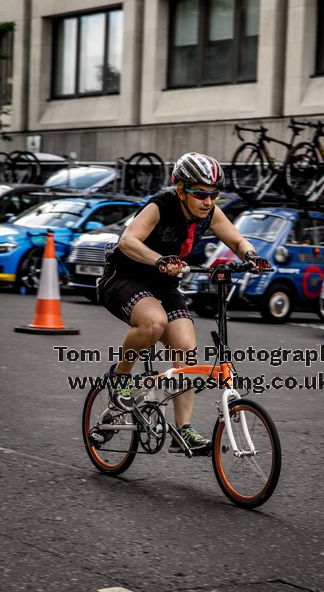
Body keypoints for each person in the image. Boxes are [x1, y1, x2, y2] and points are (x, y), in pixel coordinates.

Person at [97, 152, 270, 453]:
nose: (208, 201)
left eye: (214, 194)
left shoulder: (210, 213)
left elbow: (238, 241)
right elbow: (128, 241)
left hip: (163, 284)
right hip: (124, 278)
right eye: (200, 194)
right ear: (181, 190)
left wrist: (251, 256)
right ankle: (120, 376)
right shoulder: (160, 206)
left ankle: (183, 431)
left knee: (187, 351)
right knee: (154, 323)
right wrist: (159, 259)